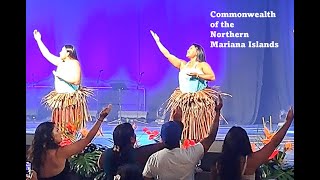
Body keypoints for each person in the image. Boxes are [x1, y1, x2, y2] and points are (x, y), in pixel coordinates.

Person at [150, 30, 230, 142]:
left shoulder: (202, 65)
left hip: (197, 101)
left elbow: (212, 77)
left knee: (195, 125)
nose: (188, 50)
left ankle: (196, 142)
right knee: (179, 121)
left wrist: (197, 74)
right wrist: (158, 41)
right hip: (183, 98)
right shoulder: (183, 64)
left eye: (191, 48)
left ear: (197, 52)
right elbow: (167, 55)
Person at [142, 95, 223, 180]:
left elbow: (146, 177)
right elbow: (211, 137)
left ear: (162, 139)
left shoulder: (154, 158)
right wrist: (217, 112)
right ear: (180, 137)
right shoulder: (190, 155)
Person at [33, 29, 93, 139]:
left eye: (62, 50)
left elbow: (76, 80)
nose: (60, 52)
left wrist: (60, 76)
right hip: (60, 100)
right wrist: (38, 40)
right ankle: (60, 141)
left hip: (69, 100)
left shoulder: (75, 63)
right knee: (59, 124)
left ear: (68, 53)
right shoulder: (61, 62)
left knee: (68, 124)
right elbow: (47, 55)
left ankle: (69, 142)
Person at [26, 104, 112, 180]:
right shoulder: (60, 153)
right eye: (57, 130)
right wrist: (101, 119)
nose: (60, 132)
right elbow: (87, 140)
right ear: (50, 137)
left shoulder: (34, 154)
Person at [211, 107, 294, 180]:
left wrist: (217, 112)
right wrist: (288, 122)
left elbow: (211, 136)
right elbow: (274, 143)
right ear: (245, 142)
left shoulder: (218, 164)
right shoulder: (250, 162)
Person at [98, 122, 165, 180]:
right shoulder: (141, 154)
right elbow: (163, 145)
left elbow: (100, 165)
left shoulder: (104, 155)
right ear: (132, 139)